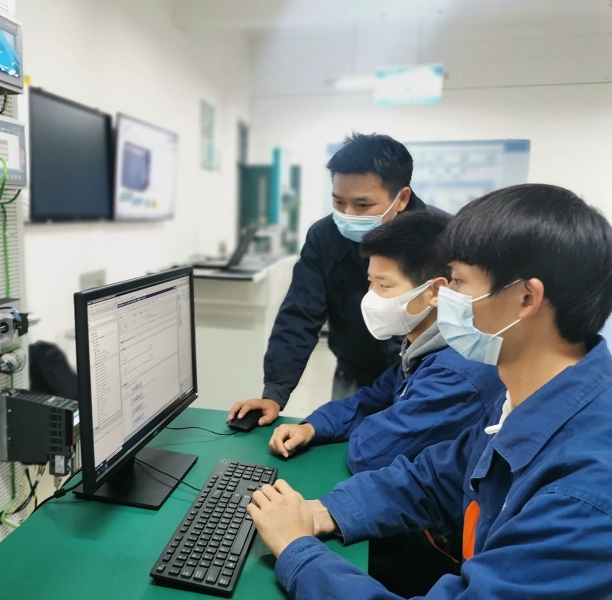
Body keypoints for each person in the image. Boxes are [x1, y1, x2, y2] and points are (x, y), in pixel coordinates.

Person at [247, 183, 612, 598]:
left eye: (457, 281)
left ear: (526, 299)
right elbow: (435, 478)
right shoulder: (524, 396)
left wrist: (297, 551)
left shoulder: (584, 492)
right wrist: (325, 511)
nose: (444, 297)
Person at [267, 210, 504, 596]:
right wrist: (314, 426)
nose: (372, 298)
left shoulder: (460, 369)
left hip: (440, 544)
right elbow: (376, 401)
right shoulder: (423, 345)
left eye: (384, 285)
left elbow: (373, 452)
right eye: (370, 283)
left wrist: (300, 550)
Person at [228, 133, 444, 428]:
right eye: (339, 202)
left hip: (426, 373)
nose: (348, 214)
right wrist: (275, 392)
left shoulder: (443, 236)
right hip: (355, 369)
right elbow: (299, 314)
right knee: (340, 435)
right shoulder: (325, 236)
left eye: (363, 205)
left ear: (402, 198)